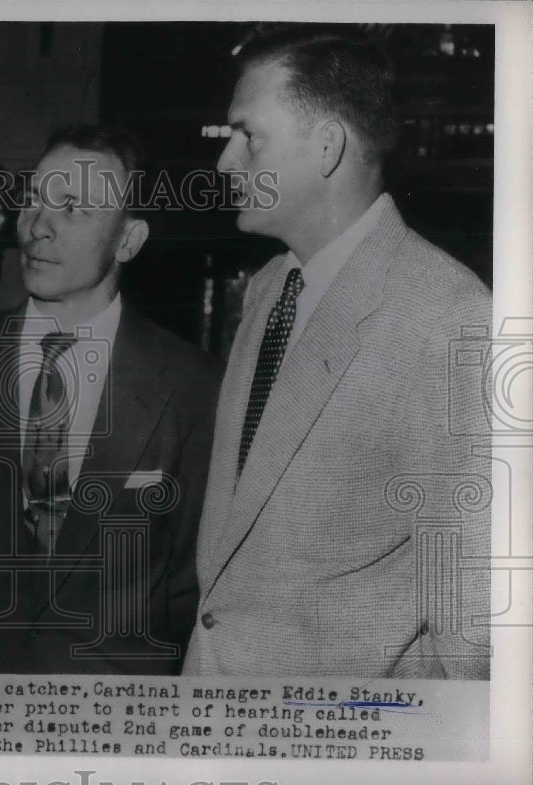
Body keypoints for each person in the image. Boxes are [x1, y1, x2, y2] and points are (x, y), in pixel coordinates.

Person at [180, 26, 491, 678]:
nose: (224, 164)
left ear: (326, 146)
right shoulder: (270, 287)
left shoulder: (449, 317)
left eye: (248, 136)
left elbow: (474, 629)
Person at [0, 125, 222, 674]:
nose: (38, 226)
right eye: (32, 199)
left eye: (74, 208)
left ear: (129, 240)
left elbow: (188, 584)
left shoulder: (193, 385)